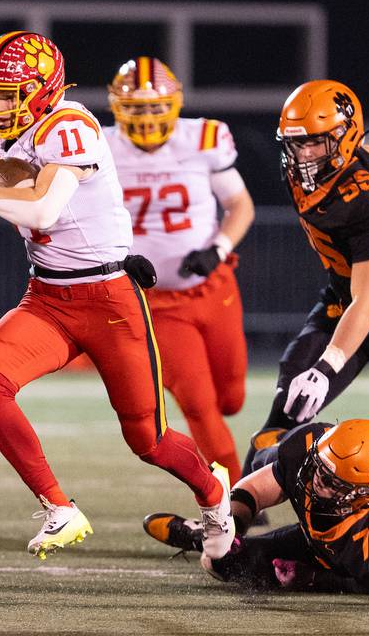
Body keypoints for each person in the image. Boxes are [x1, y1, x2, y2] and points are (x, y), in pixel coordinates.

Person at [0, 31, 234, 561]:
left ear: (40, 90)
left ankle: (214, 494)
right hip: (47, 297)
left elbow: (41, 209)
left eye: (3, 92)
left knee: (148, 440)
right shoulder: (15, 129)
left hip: (109, 299)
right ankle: (60, 507)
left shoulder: (70, 124)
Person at [240, 80, 369, 478]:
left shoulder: (367, 197)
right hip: (342, 304)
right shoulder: (308, 172)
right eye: (297, 144)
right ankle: (233, 523)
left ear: (345, 136)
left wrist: (326, 368)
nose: (304, 155)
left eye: (316, 143)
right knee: (282, 419)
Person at [104, 57, 254, 485]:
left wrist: (218, 248)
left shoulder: (203, 138)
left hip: (213, 285)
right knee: (198, 405)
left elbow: (240, 205)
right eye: (136, 107)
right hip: (156, 301)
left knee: (231, 397)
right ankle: (238, 498)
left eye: (155, 107)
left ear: (174, 104)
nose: (147, 118)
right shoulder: (99, 146)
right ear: (117, 107)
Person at [144, 418, 369, 594]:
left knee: (222, 565)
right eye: (318, 467)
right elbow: (253, 488)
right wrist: (228, 528)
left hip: (331, 553)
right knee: (266, 452)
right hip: (324, 521)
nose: (316, 479)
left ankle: (196, 537)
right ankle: (208, 529)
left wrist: (313, 578)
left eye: (331, 480)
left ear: (364, 494)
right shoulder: (309, 450)